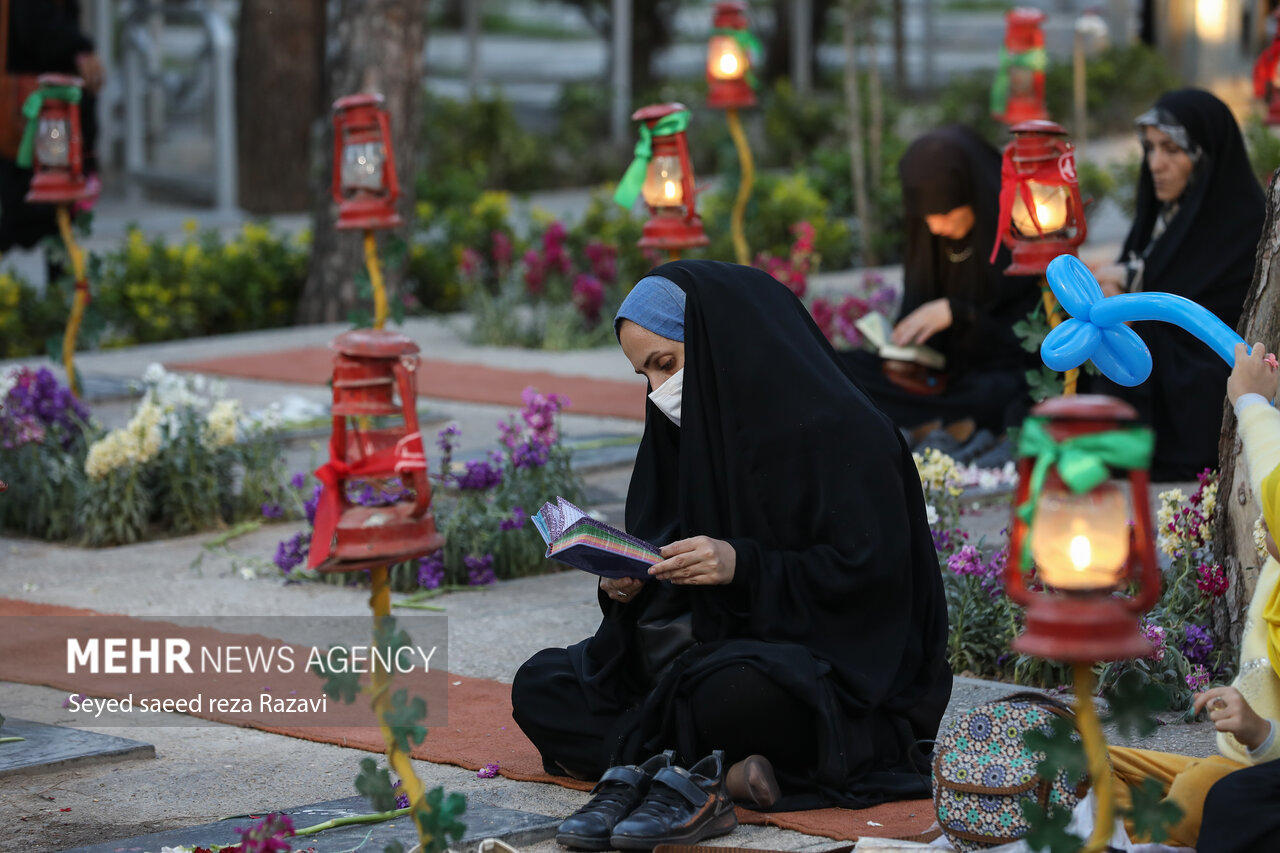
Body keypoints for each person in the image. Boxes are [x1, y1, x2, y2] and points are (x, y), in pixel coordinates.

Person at [511, 261, 952, 846]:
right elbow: (662, 575)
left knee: (734, 690)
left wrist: (742, 565)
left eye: (666, 364)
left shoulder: (846, 433)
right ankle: (727, 773)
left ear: (722, 340)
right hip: (697, 654)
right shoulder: (680, 435)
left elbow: (875, 580)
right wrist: (626, 585)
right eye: (644, 374)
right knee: (541, 685)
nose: (657, 391)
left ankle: (660, 765)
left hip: (817, 664)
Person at [1106, 341, 1280, 848]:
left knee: (1203, 799)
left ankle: (1091, 826)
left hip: (1257, 773)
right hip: (1240, 764)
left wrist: (1258, 731)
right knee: (1086, 755)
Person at [1090, 89, 1265, 481]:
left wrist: (1128, 297)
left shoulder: (1242, 221)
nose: (1156, 164)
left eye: (1171, 149)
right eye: (1150, 148)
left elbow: (1195, 317)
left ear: (1204, 155)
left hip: (1206, 378)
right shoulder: (1167, 214)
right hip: (1162, 365)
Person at [840, 125, 1041, 436]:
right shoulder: (929, 234)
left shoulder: (1018, 231)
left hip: (996, 373)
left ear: (972, 193)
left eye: (946, 212)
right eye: (926, 215)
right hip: (934, 377)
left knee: (1000, 397)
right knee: (840, 369)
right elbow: (917, 308)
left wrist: (958, 314)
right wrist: (905, 355)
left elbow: (1028, 342)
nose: (934, 226)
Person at [0, 0, 102, 255]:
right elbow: (39, 30)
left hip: (43, 118)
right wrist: (81, 49)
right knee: (49, 207)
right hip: (41, 118)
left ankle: (59, 291)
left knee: (53, 210)